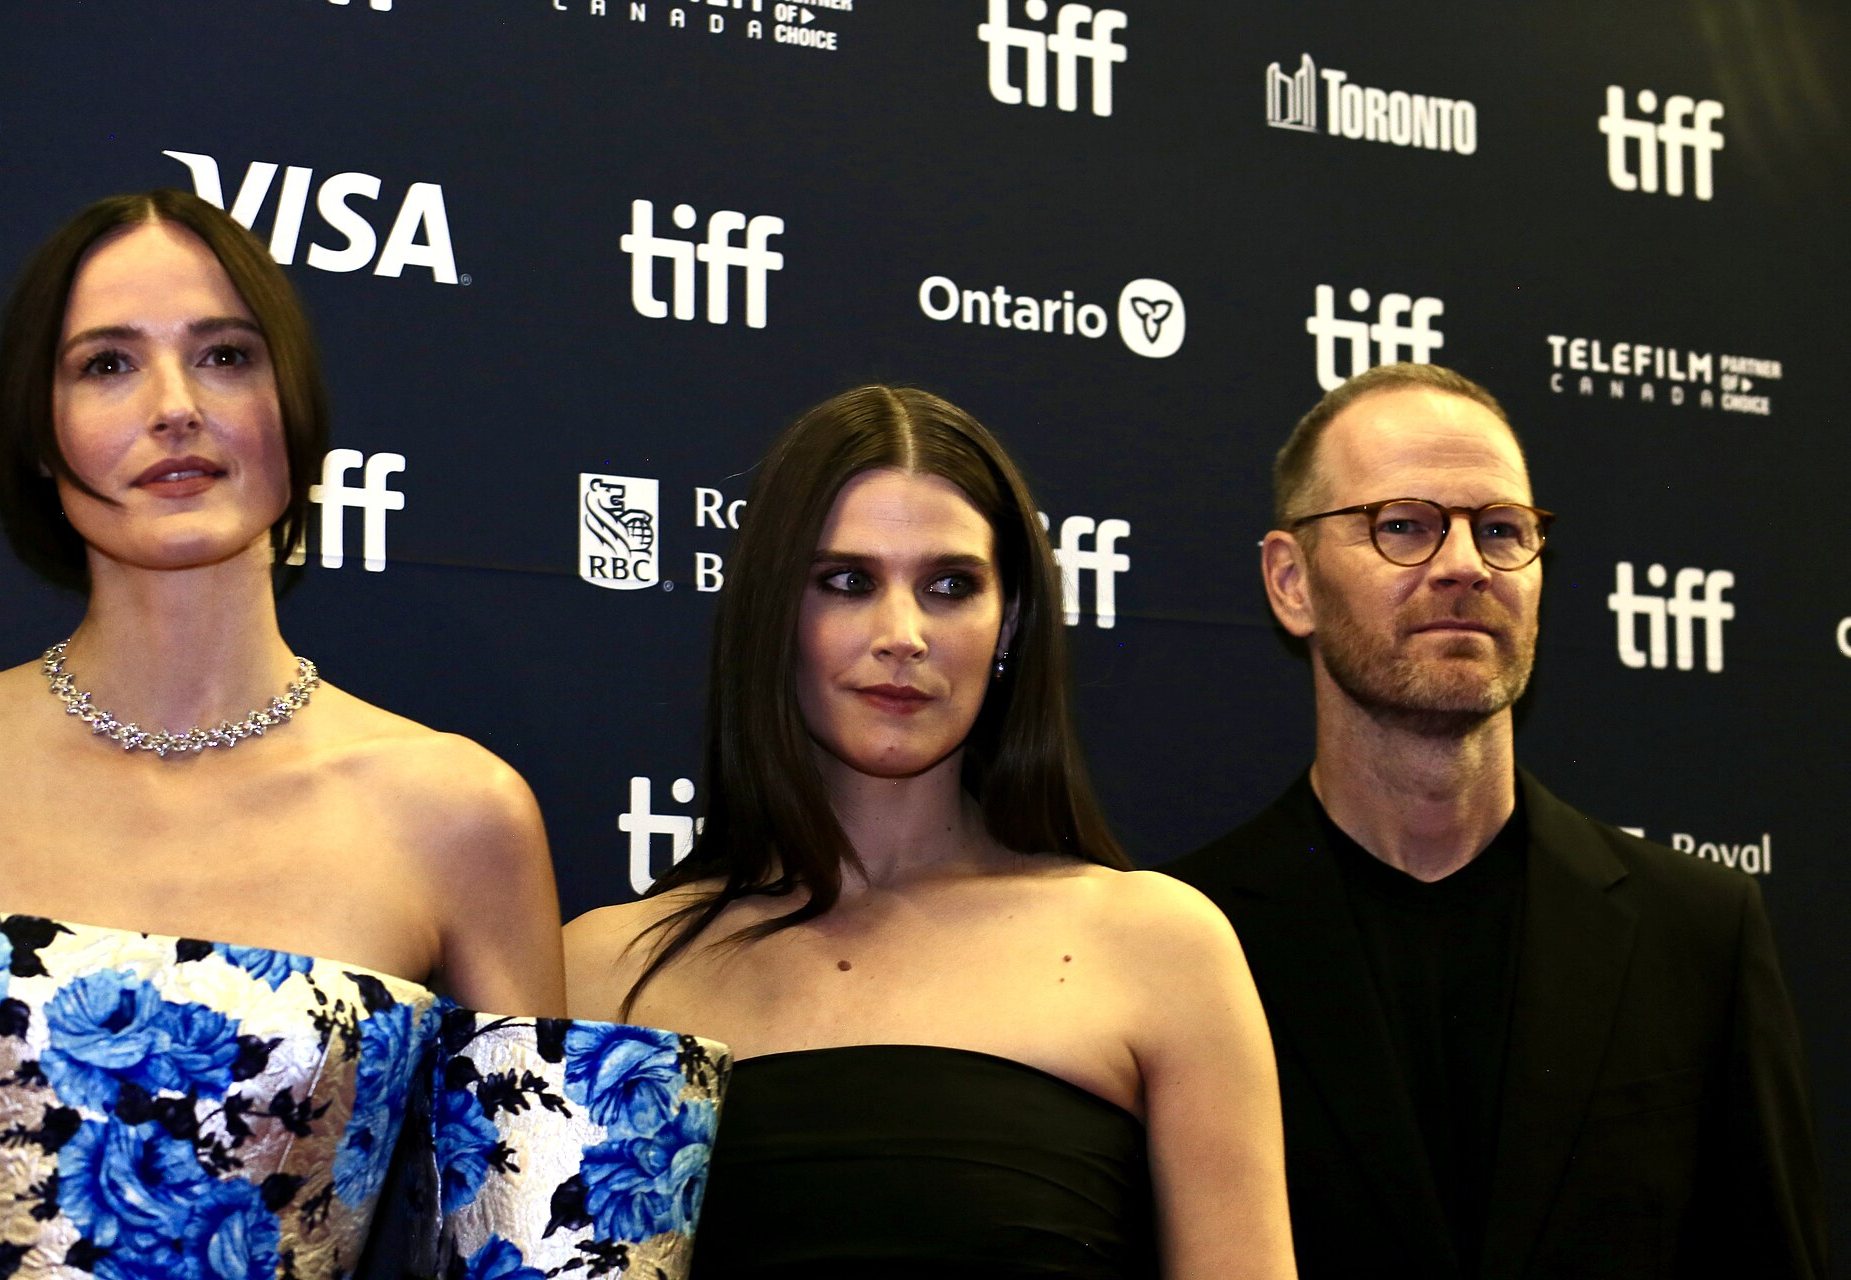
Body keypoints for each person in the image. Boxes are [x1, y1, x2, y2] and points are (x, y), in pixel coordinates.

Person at [0, 190, 567, 1273]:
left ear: (296, 408)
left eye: (225, 356)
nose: (176, 406)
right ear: (39, 436)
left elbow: (531, 1244)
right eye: (108, 364)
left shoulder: (459, 812)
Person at [560, 384, 1295, 1280]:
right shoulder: (600, 976)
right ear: (771, 616)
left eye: (950, 586)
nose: (902, 634)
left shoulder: (1162, 948)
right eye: (847, 582)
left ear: (1009, 622)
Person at [1164, 362, 1827, 1279]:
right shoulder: (1185, 940)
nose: (1466, 566)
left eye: (1503, 530)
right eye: (1404, 527)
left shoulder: (1698, 933)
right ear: (1291, 582)